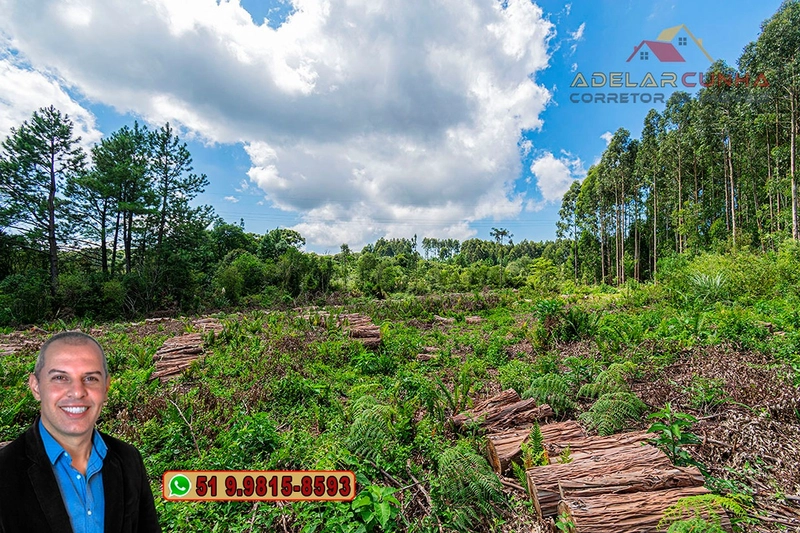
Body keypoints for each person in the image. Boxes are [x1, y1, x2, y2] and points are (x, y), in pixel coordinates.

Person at [0, 331, 161, 533]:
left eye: (91, 378)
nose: (77, 392)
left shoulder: (128, 460)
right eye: (60, 377)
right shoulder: (5, 471)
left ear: (106, 387)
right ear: (36, 387)